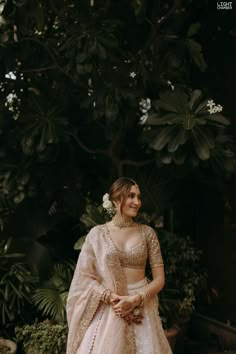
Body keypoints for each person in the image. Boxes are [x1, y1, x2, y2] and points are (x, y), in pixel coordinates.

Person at [66, 177, 172, 354]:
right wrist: (109, 296)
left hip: (142, 306)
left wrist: (136, 299)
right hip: (110, 308)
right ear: (115, 199)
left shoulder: (147, 233)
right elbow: (84, 277)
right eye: (131, 196)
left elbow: (160, 279)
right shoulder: (97, 234)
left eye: (139, 197)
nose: (137, 202)